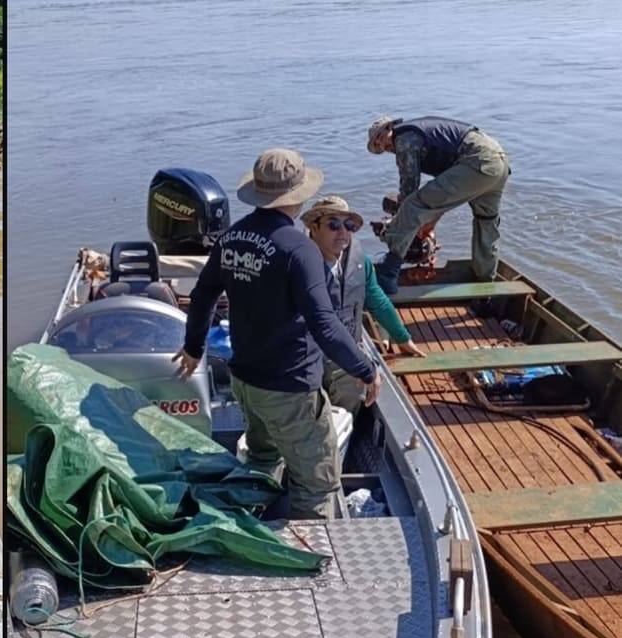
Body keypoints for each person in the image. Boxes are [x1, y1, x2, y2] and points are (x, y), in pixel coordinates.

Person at [171, 149, 381, 520]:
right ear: (298, 196)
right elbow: (325, 322)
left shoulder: (232, 238)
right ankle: (311, 558)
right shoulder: (299, 249)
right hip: (289, 389)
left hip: (246, 382)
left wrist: (193, 347)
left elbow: (203, 293)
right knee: (317, 481)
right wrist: (365, 369)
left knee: (262, 457)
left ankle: (253, 522)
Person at [301, 196, 427, 415]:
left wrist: (402, 337)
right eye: (333, 224)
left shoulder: (359, 261)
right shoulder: (296, 261)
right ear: (314, 227)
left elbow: (377, 300)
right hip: (308, 353)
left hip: (346, 349)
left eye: (348, 225)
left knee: (351, 397)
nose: (343, 232)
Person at [367, 115, 510, 294]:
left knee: (412, 204)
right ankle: (486, 288)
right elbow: (442, 199)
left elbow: (409, 188)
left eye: (380, 139)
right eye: (378, 147)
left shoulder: (403, 138)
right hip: (498, 162)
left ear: (390, 128)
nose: (383, 147)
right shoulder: (429, 135)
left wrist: (398, 225)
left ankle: (389, 272)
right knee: (486, 222)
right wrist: (430, 223)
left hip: (476, 161)